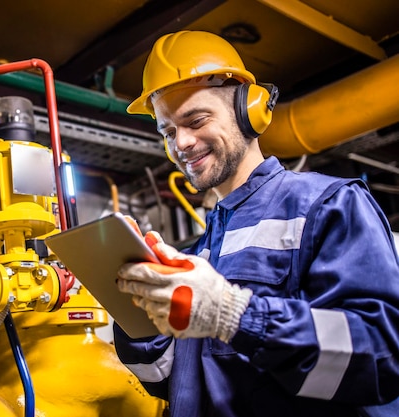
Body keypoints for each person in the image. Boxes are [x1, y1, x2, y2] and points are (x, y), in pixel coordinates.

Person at [112, 30, 399, 417]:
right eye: (168, 131)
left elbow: (381, 358)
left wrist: (234, 315)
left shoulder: (329, 204)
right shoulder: (198, 253)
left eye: (195, 120)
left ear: (250, 110)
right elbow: (165, 380)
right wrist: (130, 307)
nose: (181, 143)